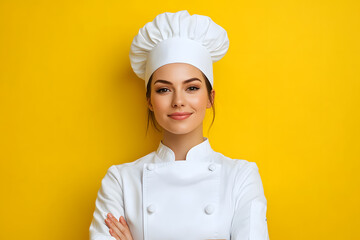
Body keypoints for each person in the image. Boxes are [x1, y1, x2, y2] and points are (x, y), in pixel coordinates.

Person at [89, 10, 269, 240]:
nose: (178, 101)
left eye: (192, 88)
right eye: (164, 89)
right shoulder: (120, 181)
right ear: (149, 101)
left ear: (210, 99)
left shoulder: (241, 177)